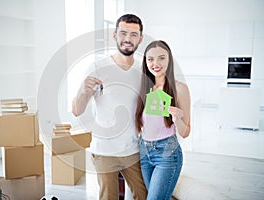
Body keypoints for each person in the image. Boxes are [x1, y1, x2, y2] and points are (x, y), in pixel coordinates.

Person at [72, 14, 147, 200]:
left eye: (133, 34)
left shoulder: (143, 70)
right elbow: (76, 110)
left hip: (133, 148)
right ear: (114, 35)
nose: (127, 39)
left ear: (140, 39)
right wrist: (83, 90)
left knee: (143, 195)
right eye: (123, 33)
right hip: (104, 149)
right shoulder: (97, 67)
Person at [135, 40, 191, 200]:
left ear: (169, 60)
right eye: (150, 59)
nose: (155, 63)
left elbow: (185, 132)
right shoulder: (144, 87)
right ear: (145, 62)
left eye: (161, 58)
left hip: (167, 151)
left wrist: (177, 118)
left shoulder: (180, 89)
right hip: (144, 151)